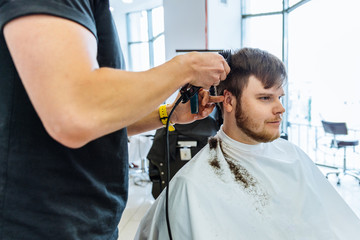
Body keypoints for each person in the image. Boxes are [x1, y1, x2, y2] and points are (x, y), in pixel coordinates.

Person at [0, 1, 230, 239]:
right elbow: (75, 111)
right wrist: (185, 68)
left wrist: (168, 113)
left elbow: (99, 117)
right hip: (42, 223)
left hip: (90, 219)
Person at [135, 48, 360, 240]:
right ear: (230, 101)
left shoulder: (292, 155)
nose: (280, 108)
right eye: (265, 98)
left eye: (279, 97)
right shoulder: (191, 185)